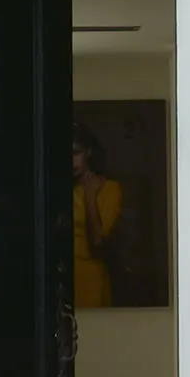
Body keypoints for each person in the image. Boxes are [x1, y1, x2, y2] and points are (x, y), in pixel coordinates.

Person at [72, 122, 123, 307]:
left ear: (89, 152)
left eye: (76, 153)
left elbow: (98, 242)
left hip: (92, 281)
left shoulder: (110, 190)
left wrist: (90, 197)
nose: (70, 161)